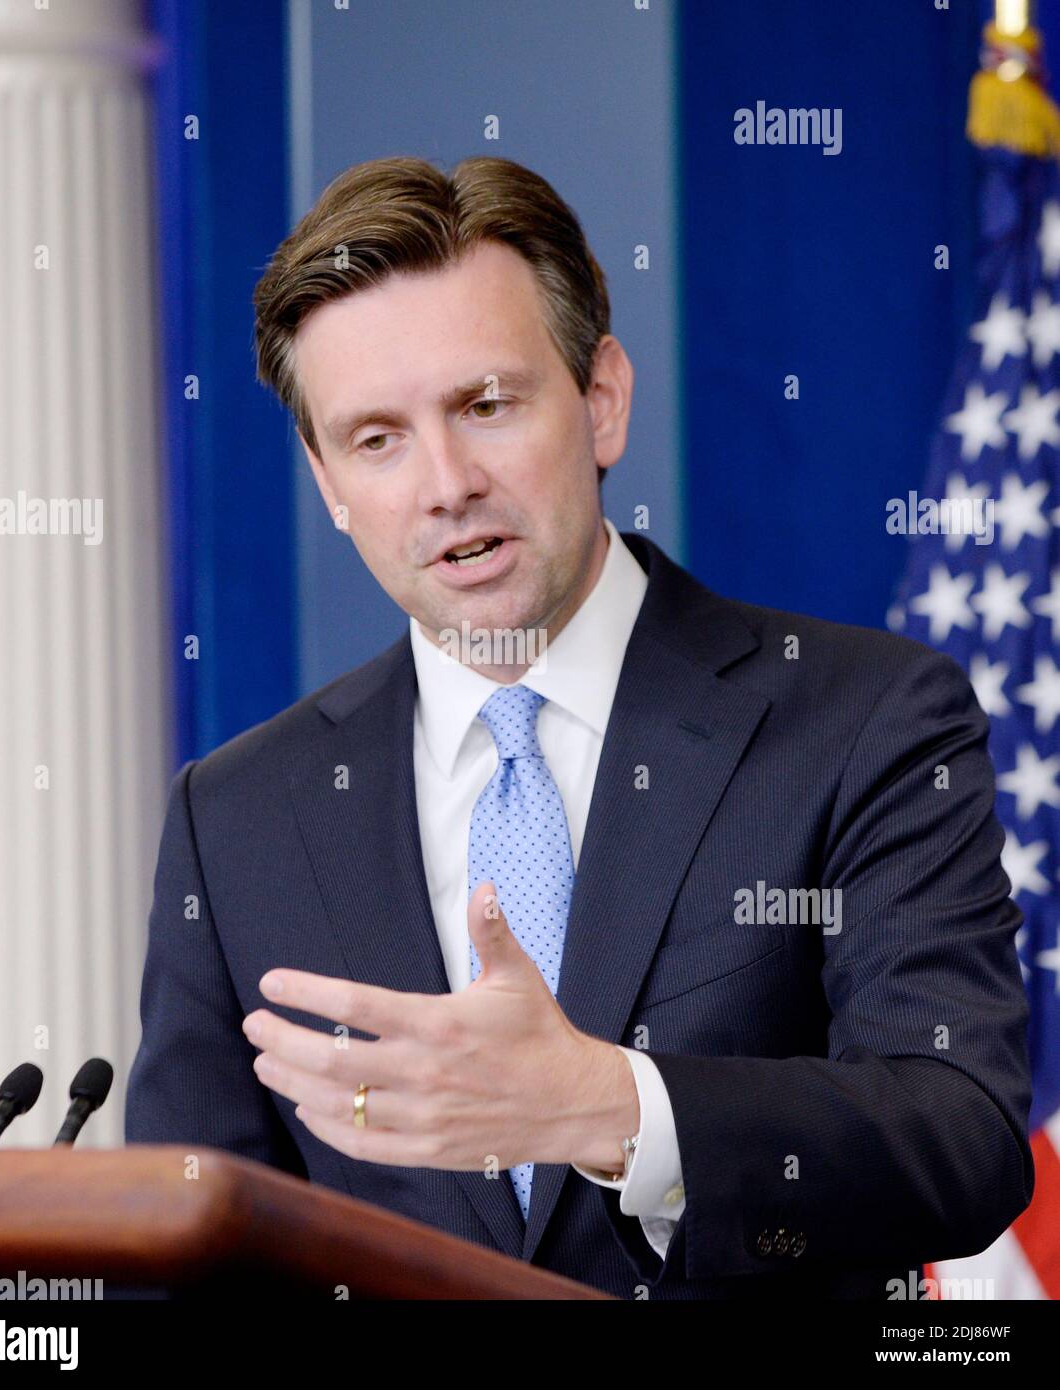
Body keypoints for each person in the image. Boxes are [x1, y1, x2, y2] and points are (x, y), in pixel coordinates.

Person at [125, 154, 1034, 1299]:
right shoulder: (238, 814)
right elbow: (182, 1242)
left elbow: (958, 1135)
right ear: (327, 481)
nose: (445, 482)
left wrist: (608, 1106)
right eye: (376, 439)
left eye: (485, 405)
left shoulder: (862, 718)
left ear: (600, 398)